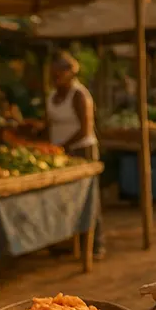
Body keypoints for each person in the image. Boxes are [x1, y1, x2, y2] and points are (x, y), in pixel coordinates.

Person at [46, 52, 105, 258]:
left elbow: (86, 129)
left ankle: (96, 245)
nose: (54, 78)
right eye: (52, 74)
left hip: (82, 150)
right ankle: (69, 244)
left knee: (88, 197)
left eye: (58, 74)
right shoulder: (52, 96)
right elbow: (49, 124)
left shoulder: (80, 95)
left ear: (69, 74)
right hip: (59, 154)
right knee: (64, 198)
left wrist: (63, 146)